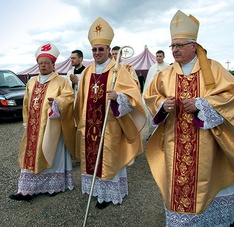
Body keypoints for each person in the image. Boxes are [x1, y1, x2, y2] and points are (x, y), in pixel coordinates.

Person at [144, 10, 234, 226]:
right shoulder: (165, 74)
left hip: (208, 140)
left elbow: (233, 96)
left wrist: (204, 104)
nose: (175, 50)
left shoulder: (214, 69)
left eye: (180, 45)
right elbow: (151, 96)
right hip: (175, 141)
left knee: (211, 179)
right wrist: (163, 105)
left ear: (194, 46)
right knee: (178, 183)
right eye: (173, 46)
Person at [74, 17, 146, 209]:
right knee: (92, 157)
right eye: (94, 50)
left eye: (101, 49)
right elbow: (80, 99)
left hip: (111, 124)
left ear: (108, 50)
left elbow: (134, 96)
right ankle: (97, 191)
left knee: (110, 157)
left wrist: (119, 97)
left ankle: (110, 193)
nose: (97, 53)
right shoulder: (87, 71)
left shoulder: (118, 71)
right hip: (90, 124)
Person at [9, 42, 76, 201]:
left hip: (52, 126)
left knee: (52, 155)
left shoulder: (61, 81)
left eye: (47, 63)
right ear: (37, 64)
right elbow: (26, 102)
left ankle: (54, 186)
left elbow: (69, 97)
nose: (43, 66)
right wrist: (26, 121)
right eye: (41, 63)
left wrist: (57, 103)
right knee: (30, 156)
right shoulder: (31, 82)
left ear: (53, 64)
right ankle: (25, 190)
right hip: (33, 127)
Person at [143, 50, 170, 139]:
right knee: (152, 113)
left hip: (164, 93)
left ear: (163, 56)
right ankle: (152, 134)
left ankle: (164, 134)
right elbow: (148, 82)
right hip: (154, 94)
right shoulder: (153, 68)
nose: (158, 58)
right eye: (157, 56)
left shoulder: (168, 67)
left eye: (160, 56)